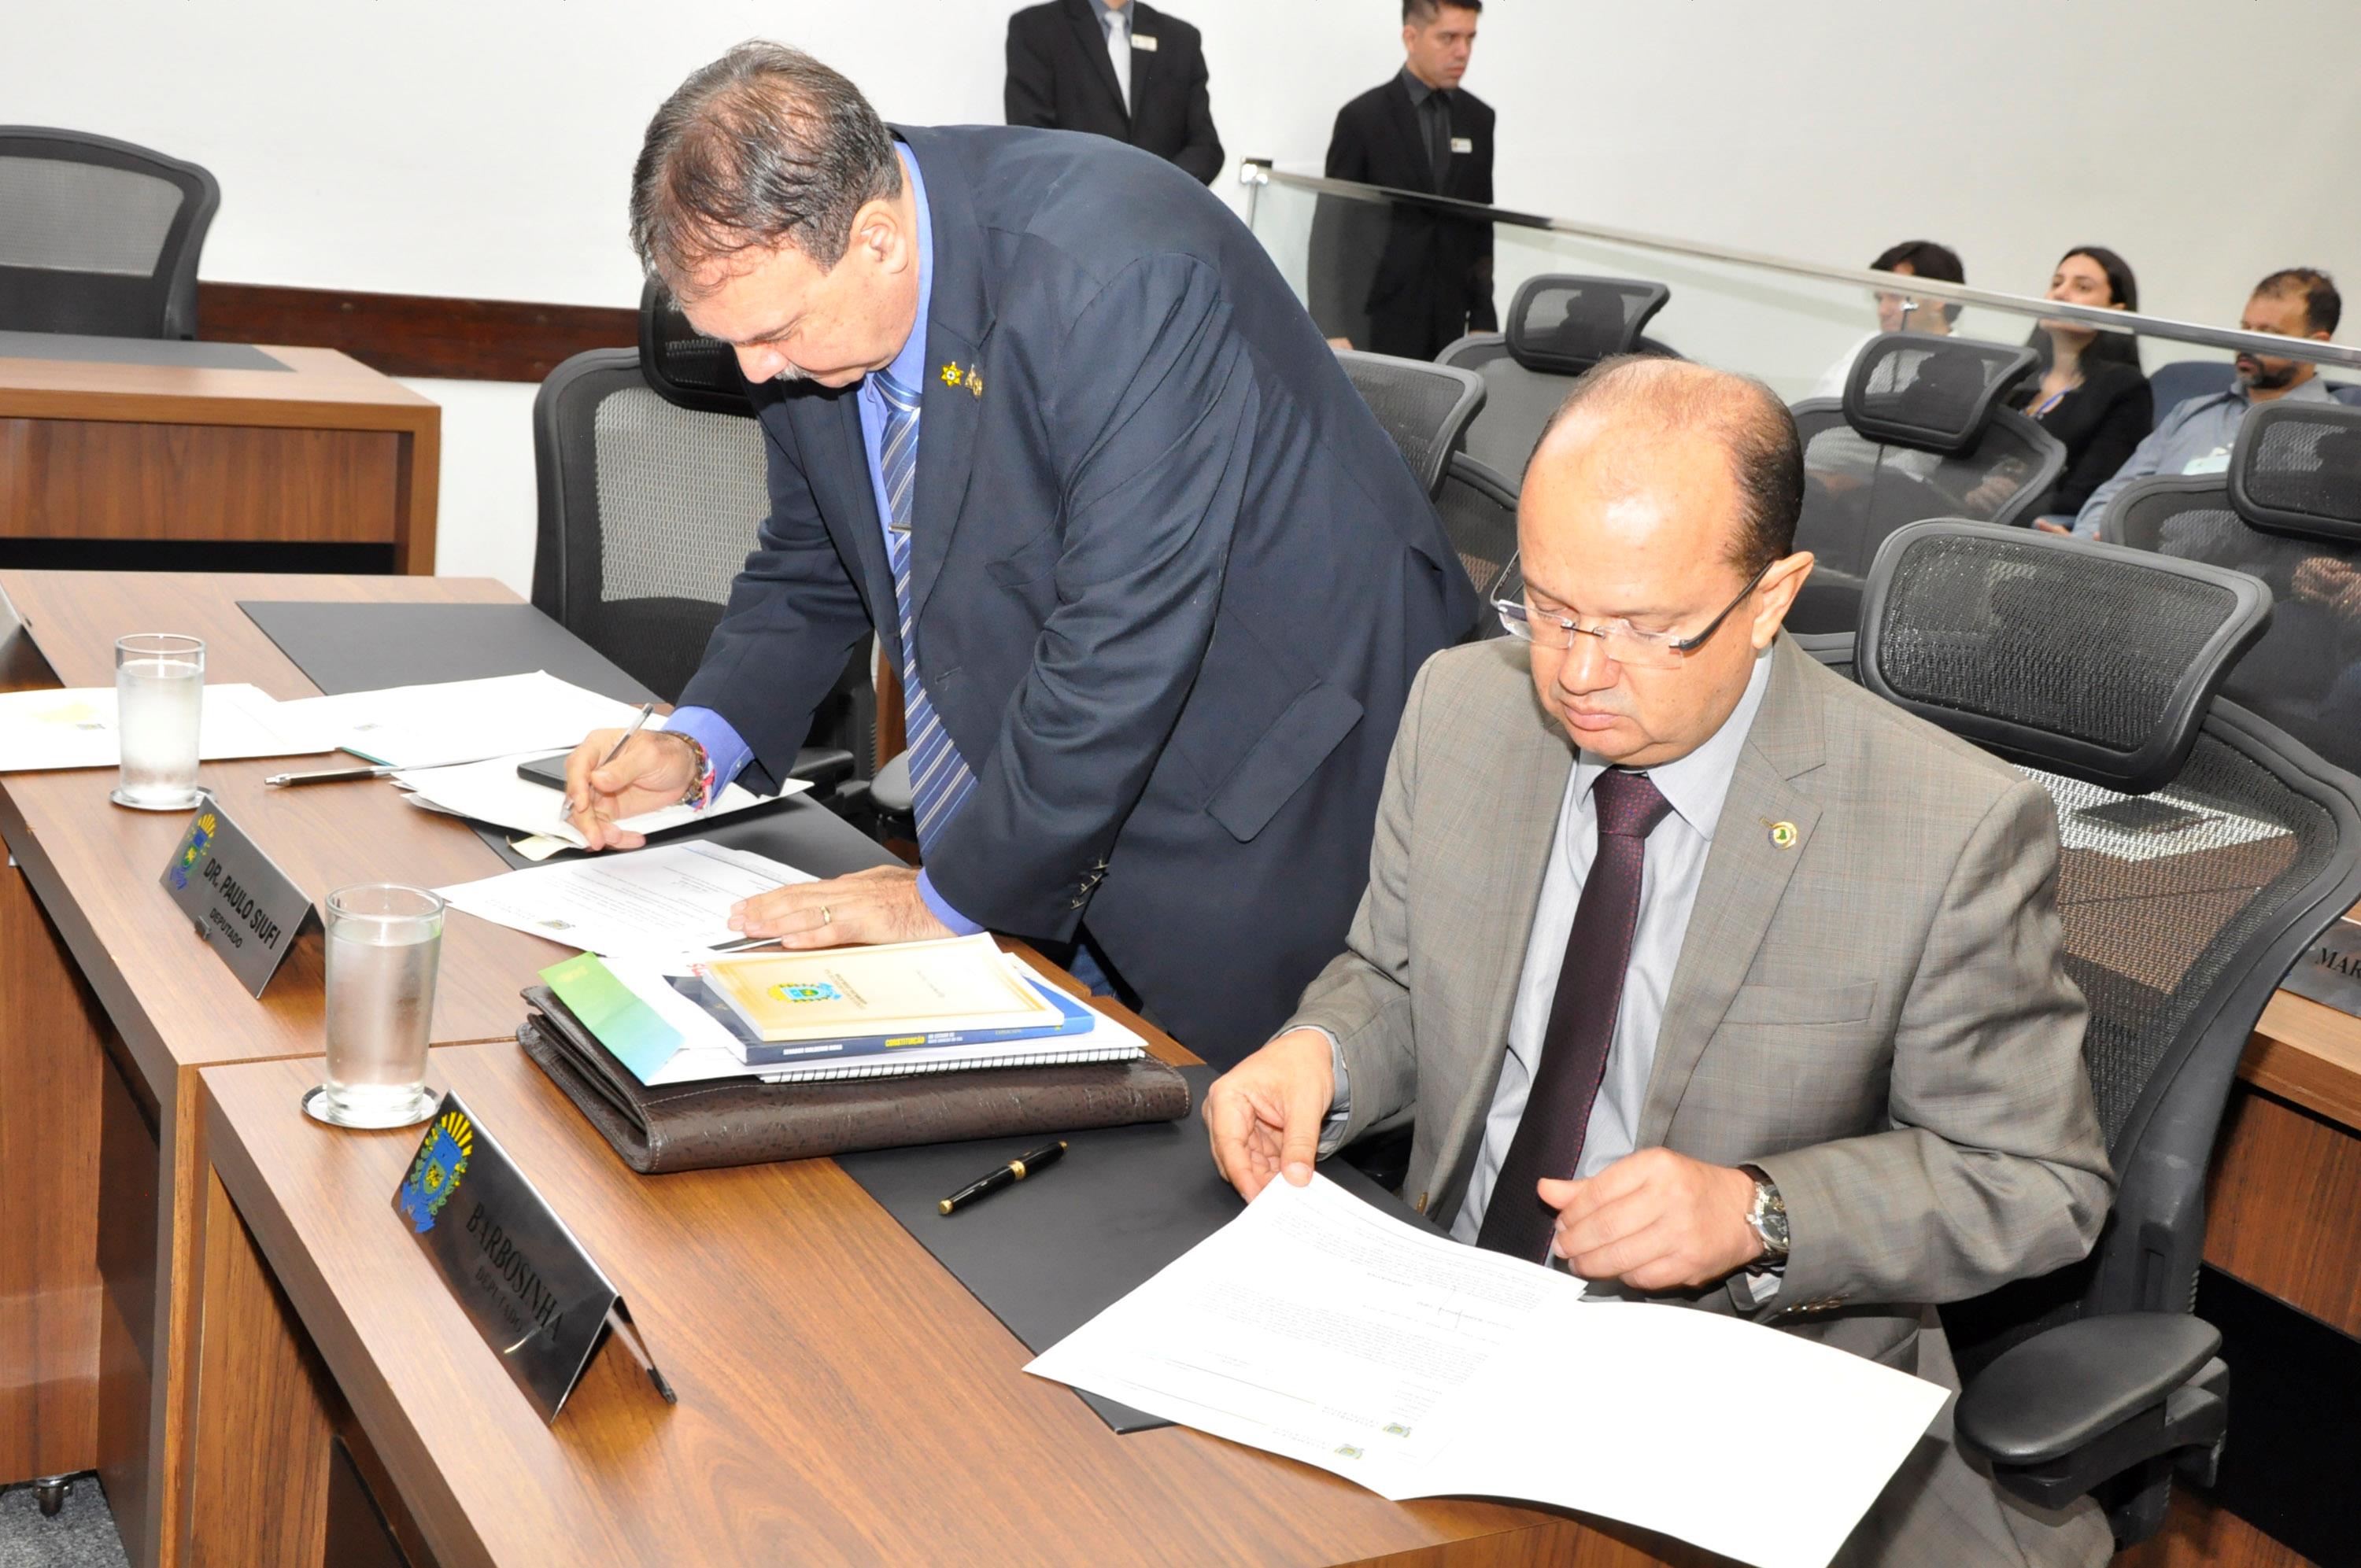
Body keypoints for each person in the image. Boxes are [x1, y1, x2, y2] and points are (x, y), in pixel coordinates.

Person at [1203, 356, 2115, 1565]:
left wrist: (1759, 1210)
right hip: (1442, 1314)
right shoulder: (1463, 706)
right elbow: (1399, 979)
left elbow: (2037, 1182)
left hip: (1732, 1376)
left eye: (1646, 628)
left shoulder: (1948, 829)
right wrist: (1320, 1054)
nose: (1580, 672)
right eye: (1551, 608)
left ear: (1773, 597)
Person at [566, 44, 1479, 1068]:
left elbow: (1123, 637)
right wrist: (700, 742)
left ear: (877, 242)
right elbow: (814, 557)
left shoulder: (1118, 277)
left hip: (1266, 781)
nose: (756, 368)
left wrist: (946, 898)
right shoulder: (807, 314)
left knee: (1216, 1125)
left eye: (773, 332)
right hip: (1067, 778)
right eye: (731, 338)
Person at [2067, 267, 2341, 537]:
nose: (2245, 344)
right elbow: (2115, 494)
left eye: (2267, 334)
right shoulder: (2192, 412)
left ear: (2317, 345)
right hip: (2136, 555)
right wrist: (2090, 539)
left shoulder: (2335, 436)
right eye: (2245, 328)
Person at [1308, 1, 1494, 359]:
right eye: (1449, 38)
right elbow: (1330, 232)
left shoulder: (1479, 119)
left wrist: (1483, 317)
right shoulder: (1363, 119)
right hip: (1373, 323)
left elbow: (1481, 226)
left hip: (1448, 325)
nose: (1463, 51)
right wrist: (1330, 327)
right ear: (1411, 37)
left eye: (1470, 38)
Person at [1998, 247, 2152, 523]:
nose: (2060, 294)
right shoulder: (2016, 376)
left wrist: (2007, 497)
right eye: (2057, 283)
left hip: (2034, 528)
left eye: (2082, 287)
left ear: (2115, 312)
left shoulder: (2126, 389)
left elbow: (2086, 496)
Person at [1004, 0, 1224, 186]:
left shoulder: (1181, 39)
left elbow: (1206, 147)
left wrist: (1159, 188)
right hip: (1076, 212)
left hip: (1163, 213)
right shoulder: (1036, 28)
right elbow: (1033, 139)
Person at [1808, 239, 1964, 400]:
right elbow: (1822, 408)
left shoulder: (1967, 366)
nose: (1882, 311)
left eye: (1895, 297)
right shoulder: (1871, 345)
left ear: (1939, 298)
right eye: (1879, 299)